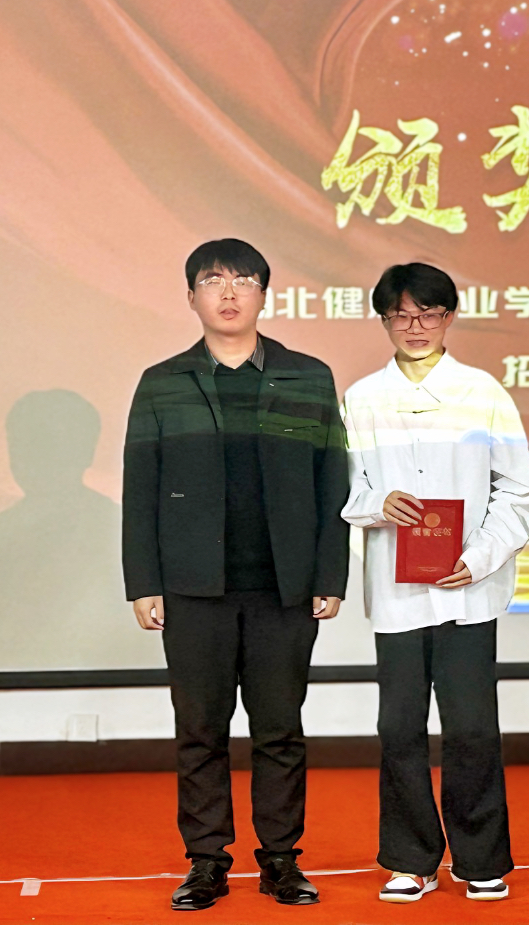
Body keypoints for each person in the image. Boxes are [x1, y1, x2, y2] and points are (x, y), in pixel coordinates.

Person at [124, 238, 349, 911]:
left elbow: (331, 483)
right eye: (213, 280)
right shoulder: (163, 381)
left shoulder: (307, 376)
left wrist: (330, 574)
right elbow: (140, 489)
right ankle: (205, 862)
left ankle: (281, 859)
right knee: (200, 731)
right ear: (191, 296)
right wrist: (143, 581)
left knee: (280, 730)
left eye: (243, 280)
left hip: (284, 587)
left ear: (264, 295)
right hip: (193, 588)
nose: (228, 292)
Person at [339, 262, 529, 904]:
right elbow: (342, 487)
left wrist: (480, 558)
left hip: (468, 587)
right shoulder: (361, 399)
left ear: (449, 316)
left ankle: (480, 860)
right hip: (397, 592)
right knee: (399, 727)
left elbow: (520, 489)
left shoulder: (484, 393)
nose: (415, 326)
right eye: (400, 315)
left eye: (428, 313)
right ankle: (410, 859)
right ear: (384, 321)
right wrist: (376, 503)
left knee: (472, 727)